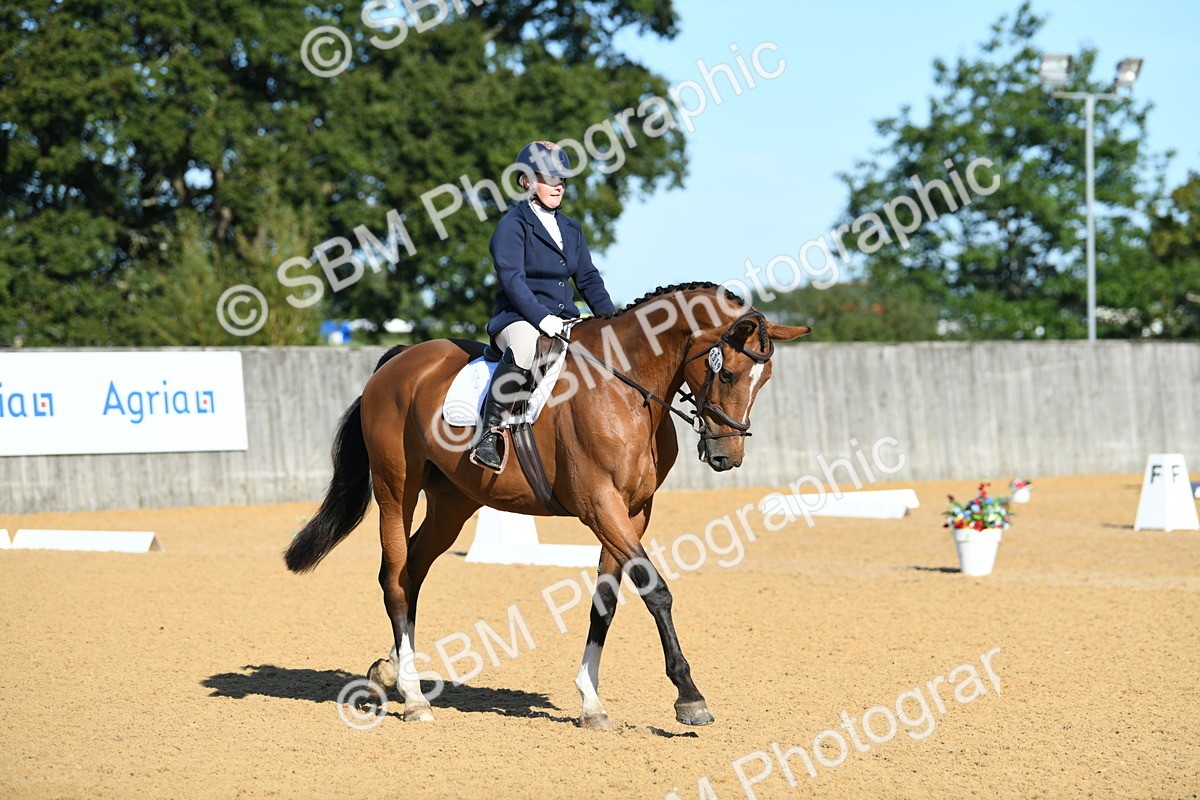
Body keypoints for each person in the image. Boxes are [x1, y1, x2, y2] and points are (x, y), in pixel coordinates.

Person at [469, 141, 617, 472]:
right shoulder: (512, 225)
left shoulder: (571, 228)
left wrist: (612, 320)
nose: (558, 185)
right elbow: (512, 280)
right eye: (550, 178)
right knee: (525, 348)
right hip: (518, 318)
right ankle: (488, 434)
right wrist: (541, 317)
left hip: (563, 319)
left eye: (562, 179)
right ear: (527, 181)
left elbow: (589, 279)